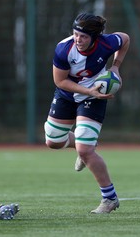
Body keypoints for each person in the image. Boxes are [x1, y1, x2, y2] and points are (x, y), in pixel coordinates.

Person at [44, 12, 130, 214]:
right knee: (53, 142)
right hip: (67, 94)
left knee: (86, 150)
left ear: (95, 38)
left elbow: (125, 38)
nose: (78, 39)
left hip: (95, 98)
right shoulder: (63, 49)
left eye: (83, 36)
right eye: (75, 34)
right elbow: (60, 81)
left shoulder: (107, 43)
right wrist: (87, 90)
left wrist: (116, 67)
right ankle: (81, 145)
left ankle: (109, 199)